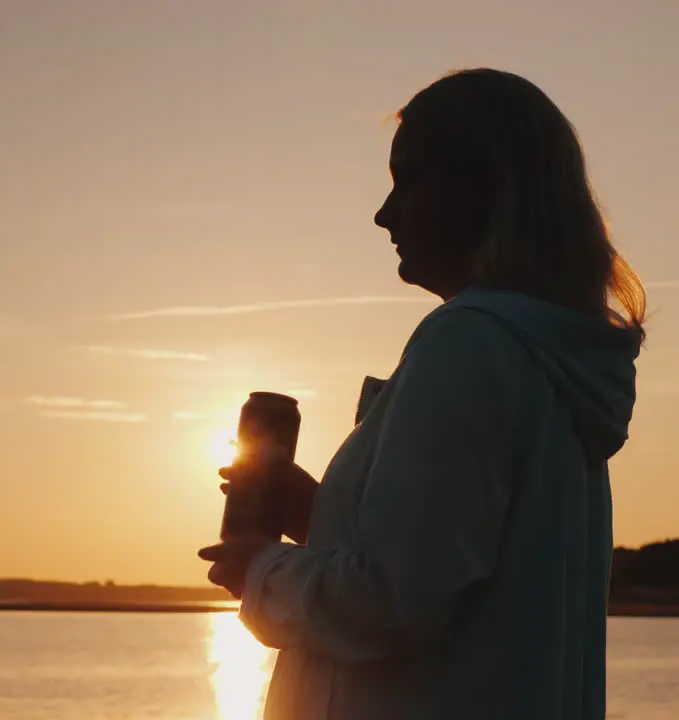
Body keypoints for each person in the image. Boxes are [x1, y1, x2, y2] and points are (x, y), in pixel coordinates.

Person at [199, 68, 646, 719]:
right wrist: (322, 516)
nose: (385, 215)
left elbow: (393, 603)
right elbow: (462, 573)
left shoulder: (470, 344)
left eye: (409, 181)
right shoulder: (549, 363)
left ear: (487, 188)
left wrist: (261, 574)